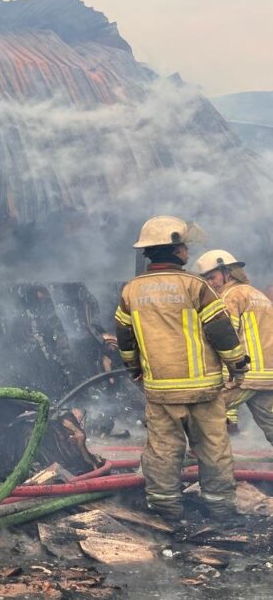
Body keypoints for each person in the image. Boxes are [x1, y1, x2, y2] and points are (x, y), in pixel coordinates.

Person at [115, 217, 248, 523]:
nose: (187, 250)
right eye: (184, 246)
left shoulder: (131, 291)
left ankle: (166, 511)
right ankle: (220, 510)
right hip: (204, 390)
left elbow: (124, 335)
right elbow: (220, 330)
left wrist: (133, 366)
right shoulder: (195, 285)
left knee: (163, 450)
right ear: (175, 250)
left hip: (161, 390)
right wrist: (237, 364)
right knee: (213, 448)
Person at [196, 249, 273, 443]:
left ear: (227, 272)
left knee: (204, 414)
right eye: (206, 280)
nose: (210, 283)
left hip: (244, 373)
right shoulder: (258, 295)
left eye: (212, 277)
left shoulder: (229, 297)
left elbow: (226, 338)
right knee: (270, 422)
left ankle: (199, 458)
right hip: (267, 375)